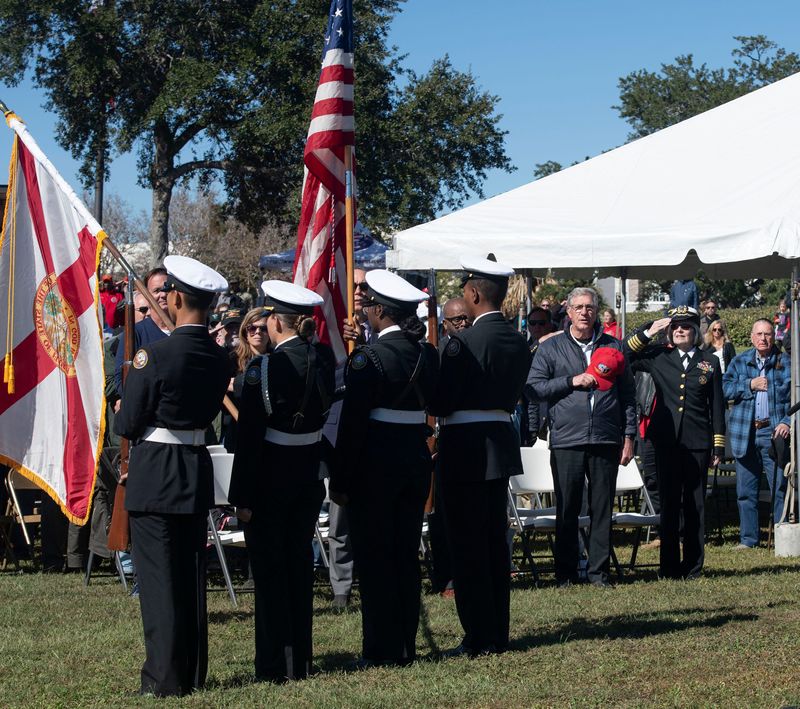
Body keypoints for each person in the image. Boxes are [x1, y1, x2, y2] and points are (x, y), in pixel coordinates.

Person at [114, 255, 230, 697]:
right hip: (194, 467)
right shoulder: (219, 358)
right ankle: (192, 671)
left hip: (158, 469)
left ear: (176, 298)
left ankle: (163, 679)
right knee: (189, 575)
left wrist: (126, 412)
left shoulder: (155, 355)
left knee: (160, 579)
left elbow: (128, 424)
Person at [330, 270, 439, 667]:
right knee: (405, 555)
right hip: (413, 458)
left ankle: (380, 649)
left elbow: (352, 425)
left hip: (375, 463)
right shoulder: (427, 353)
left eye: (368, 304)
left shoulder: (368, 358)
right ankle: (406, 644)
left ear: (379, 310)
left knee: (376, 559)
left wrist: (341, 481)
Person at [228, 281, 335, 682]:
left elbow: (250, 437)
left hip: (270, 475)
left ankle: (273, 665)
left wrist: (242, 495)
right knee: (298, 568)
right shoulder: (322, 359)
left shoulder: (264, 368)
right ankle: (301, 661)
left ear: (274, 321)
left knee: (271, 575)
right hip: (307, 472)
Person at [430, 256, 531, 656]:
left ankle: (477, 635)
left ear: (473, 294)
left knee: (467, 546)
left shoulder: (462, 343)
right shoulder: (517, 340)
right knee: (493, 543)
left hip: (465, 448)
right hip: (498, 442)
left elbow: (441, 401)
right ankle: (497, 632)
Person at [528, 286, 636, 588]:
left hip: (605, 437)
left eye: (589, 307)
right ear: (569, 312)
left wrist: (628, 434)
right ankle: (565, 574)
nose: (584, 313)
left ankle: (599, 573)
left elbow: (628, 395)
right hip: (567, 438)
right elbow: (534, 388)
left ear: (596, 310)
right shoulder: (551, 348)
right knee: (567, 507)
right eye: (578, 308)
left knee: (602, 508)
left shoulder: (614, 347)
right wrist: (570, 381)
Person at [625, 307, 725, 579]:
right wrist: (649, 331)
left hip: (697, 442)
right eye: (676, 327)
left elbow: (716, 406)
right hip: (666, 441)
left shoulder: (709, 361)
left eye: (686, 327)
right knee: (669, 504)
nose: (681, 330)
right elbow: (625, 354)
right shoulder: (659, 356)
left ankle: (693, 566)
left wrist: (718, 444)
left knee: (695, 505)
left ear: (695, 332)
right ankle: (668, 567)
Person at [722, 318, 791, 549]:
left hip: (773, 433)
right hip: (745, 432)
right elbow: (724, 390)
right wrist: (749, 385)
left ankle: (784, 537)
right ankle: (748, 539)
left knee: (779, 487)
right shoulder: (739, 362)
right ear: (752, 337)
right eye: (759, 334)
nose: (763, 338)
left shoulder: (786, 362)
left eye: (768, 334)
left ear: (774, 337)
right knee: (745, 490)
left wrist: (787, 422)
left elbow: (796, 398)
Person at [222, 307, 273, 453]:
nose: (258, 332)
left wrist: (236, 384)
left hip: (267, 430)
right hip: (236, 427)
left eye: (263, 328)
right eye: (252, 328)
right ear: (245, 331)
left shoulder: (277, 359)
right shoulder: (232, 360)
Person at [114, 267, 171, 395]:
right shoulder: (134, 333)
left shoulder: (183, 330)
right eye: (156, 291)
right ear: (147, 296)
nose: (163, 294)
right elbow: (121, 381)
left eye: (166, 288)